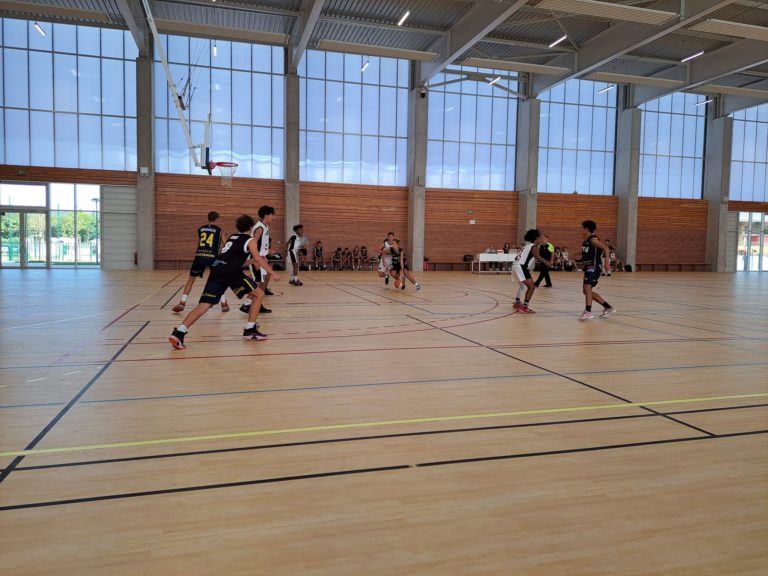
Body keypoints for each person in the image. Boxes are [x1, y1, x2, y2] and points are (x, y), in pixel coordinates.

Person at [169, 214, 280, 350]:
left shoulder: (232, 238)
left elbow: (238, 261)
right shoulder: (250, 240)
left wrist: (252, 261)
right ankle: (250, 329)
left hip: (217, 270)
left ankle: (179, 332)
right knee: (259, 294)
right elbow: (258, 258)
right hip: (231, 272)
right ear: (251, 227)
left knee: (204, 304)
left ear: (238, 227)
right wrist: (272, 272)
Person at [172, 211, 229, 313]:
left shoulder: (201, 229)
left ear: (208, 218)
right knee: (218, 280)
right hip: (212, 257)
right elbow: (226, 245)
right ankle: (224, 304)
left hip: (200, 256)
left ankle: (182, 302)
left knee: (191, 280)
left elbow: (199, 243)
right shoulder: (219, 230)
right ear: (216, 219)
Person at [578, 220, 617, 320]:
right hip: (589, 267)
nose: (581, 230)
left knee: (587, 287)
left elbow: (606, 248)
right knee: (586, 291)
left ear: (586, 229)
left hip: (594, 267)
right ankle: (608, 307)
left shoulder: (593, 239)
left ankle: (588, 311)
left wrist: (607, 263)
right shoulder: (586, 241)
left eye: (582, 228)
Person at [241, 205, 275, 314]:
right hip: (256, 259)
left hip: (261, 258)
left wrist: (267, 250)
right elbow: (253, 244)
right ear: (266, 215)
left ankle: (255, 304)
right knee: (257, 284)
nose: (273, 217)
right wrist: (255, 260)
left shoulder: (265, 226)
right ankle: (247, 305)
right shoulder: (259, 228)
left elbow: (261, 244)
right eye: (271, 215)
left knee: (262, 282)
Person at [512, 229, 548, 314]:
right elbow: (537, 257)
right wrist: (547, 262)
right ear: (536, 239)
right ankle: (525, 306)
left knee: (522, 286)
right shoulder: (534, 247)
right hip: (520, 267)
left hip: (516, 265)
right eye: (540, 237)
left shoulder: (527, 246)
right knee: (532, 287)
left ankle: (517, 303)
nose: (542, 239)